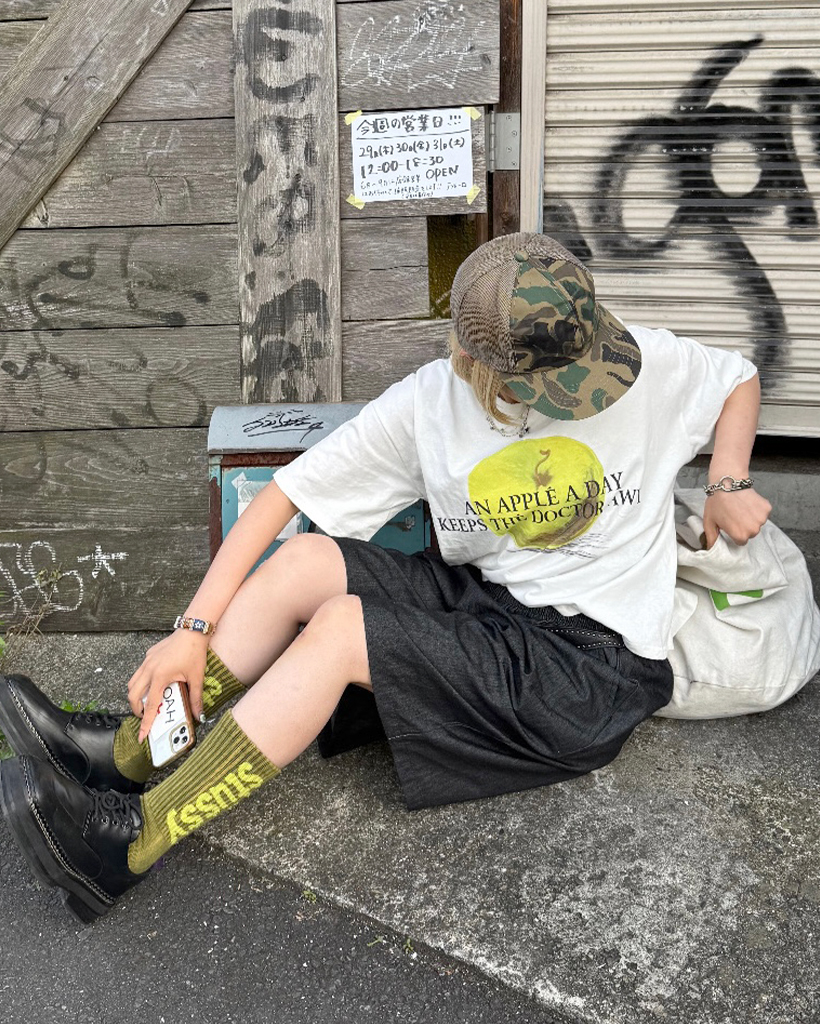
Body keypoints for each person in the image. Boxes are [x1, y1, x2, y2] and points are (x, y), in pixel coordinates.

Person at [0, 232, 772, 922]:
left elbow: (736, 377)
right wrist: (189, 632)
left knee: (342, 631)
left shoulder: (642, 362)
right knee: (305, 561)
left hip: (589, 671)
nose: (580, 388)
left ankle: (129, 844)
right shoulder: (429, 405)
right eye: (550, 381)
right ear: (477, 363)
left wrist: (729, 480)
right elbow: (287, 495)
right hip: (493, 606)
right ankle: (129, 756)